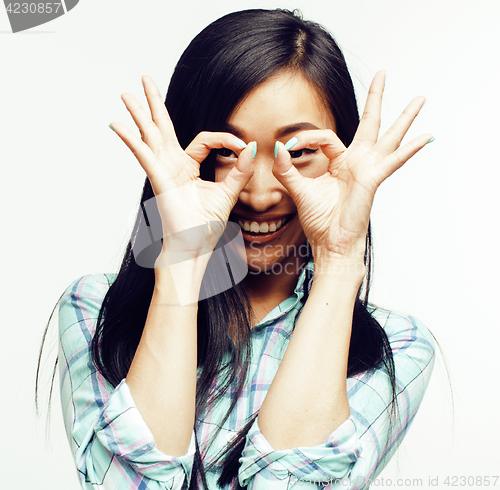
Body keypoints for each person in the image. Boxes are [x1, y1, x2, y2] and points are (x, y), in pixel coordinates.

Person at [56, 8, 436, 490]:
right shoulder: (97, 311)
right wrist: (182, 256)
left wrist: (340, 262)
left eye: (298, 154)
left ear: (342, 157)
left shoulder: (395, 349)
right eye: (226, 153)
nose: (259, 194)